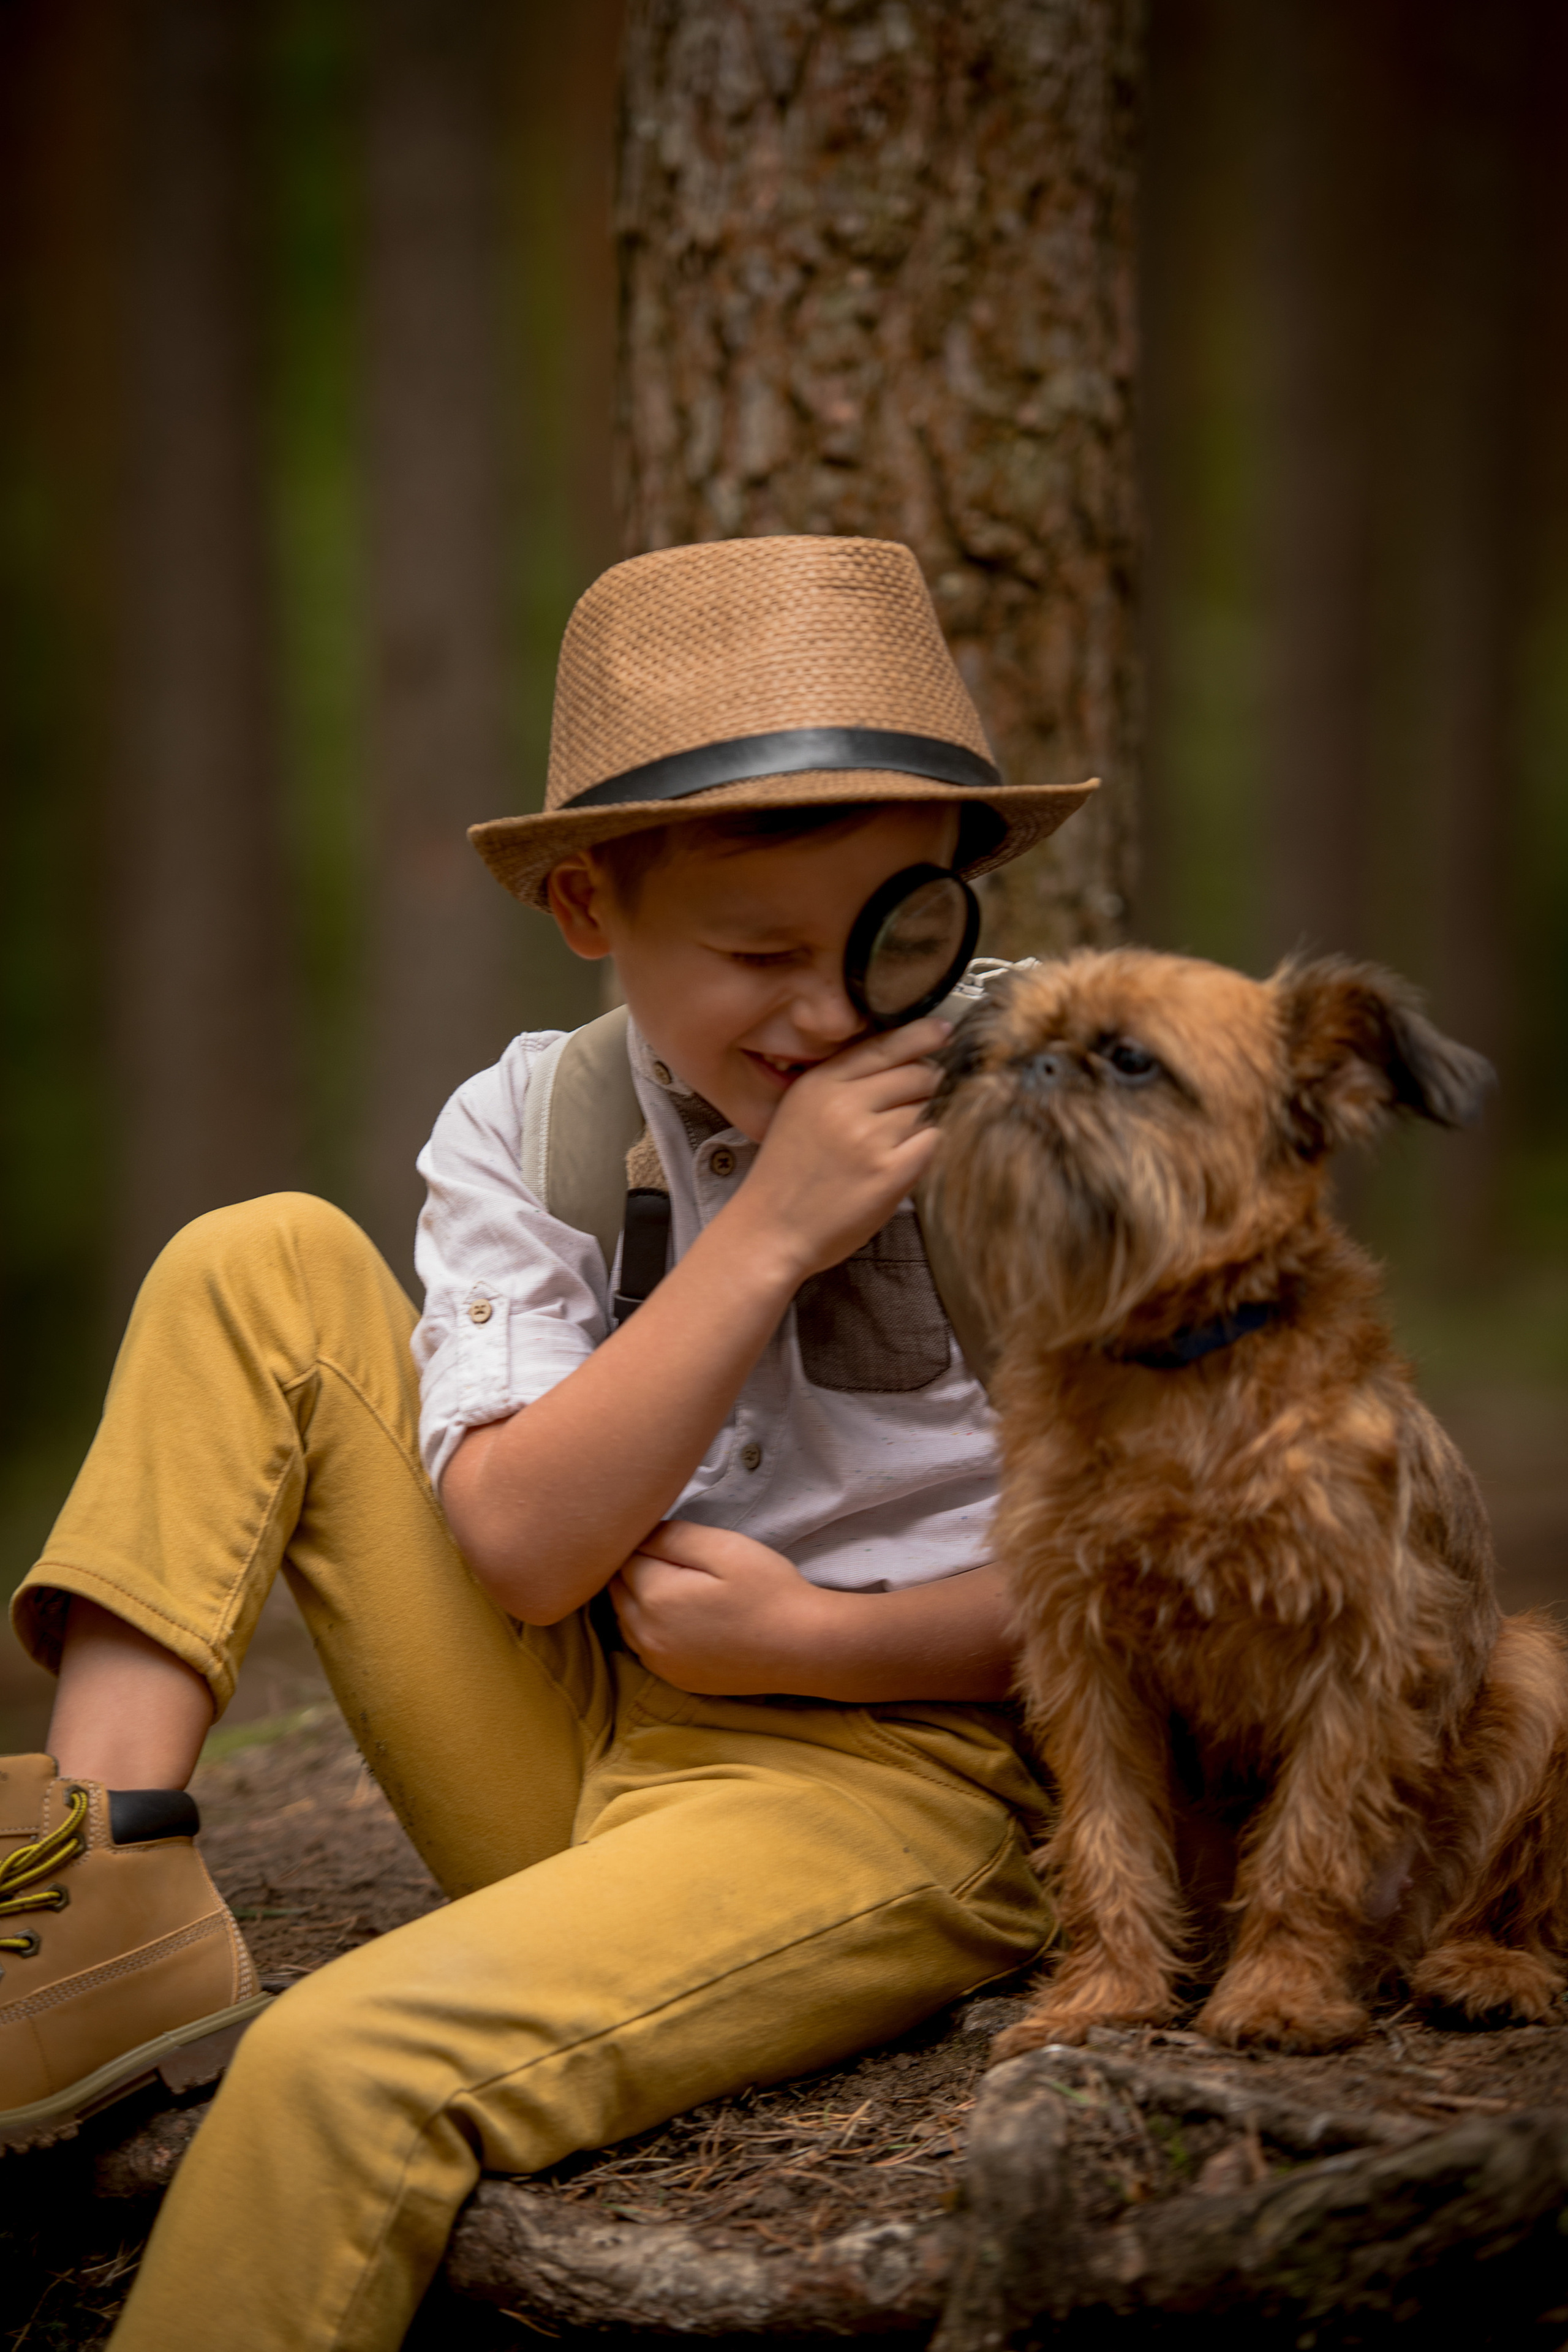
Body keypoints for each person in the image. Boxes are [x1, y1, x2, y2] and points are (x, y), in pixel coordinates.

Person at [2, 535, 1095, 2350]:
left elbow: (1157, 1568)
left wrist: (814, 1643)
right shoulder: (535, 1122)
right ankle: (93, 1890)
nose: (829, 1016)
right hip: (577, 1717)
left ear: (961, 891)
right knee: (252, 1258)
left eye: (892, 941)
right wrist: (761, 1239)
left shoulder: (1053, 1100)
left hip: (906, 1777)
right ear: (589, 904)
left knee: (336, 2070)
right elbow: (519, 1553)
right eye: (756, 953)